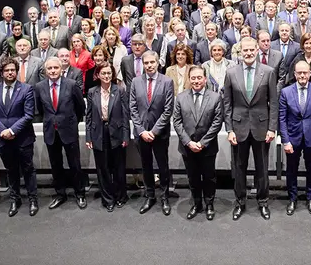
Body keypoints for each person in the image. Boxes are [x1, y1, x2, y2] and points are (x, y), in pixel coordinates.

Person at [223, 37, 279, 220]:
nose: (248, 53)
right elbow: (227, 104)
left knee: (262, 168)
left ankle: (263, 202)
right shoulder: (231, 73)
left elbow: (274, 103)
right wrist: (229, 129)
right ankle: (240, 202)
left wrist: (272, 128)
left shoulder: (268, 72)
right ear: (240, 52)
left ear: (257, 50)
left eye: (251, 50)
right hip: (238, 128)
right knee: (239, 167)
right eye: (244, 50)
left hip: (261, 127)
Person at [34, 57, 87, 210]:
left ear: (61, 69)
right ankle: (60, 194)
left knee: (74, 164)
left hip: (69, 130)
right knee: (56, 165)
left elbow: (80, 108)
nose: (52, 71)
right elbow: (40, 108)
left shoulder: (71, 85)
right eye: (49, 68)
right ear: (46, 71)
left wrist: (71, 122)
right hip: (51, 131)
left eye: (55, 68)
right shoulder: (39, 87)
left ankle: (80, 193)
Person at [0, 57, 38, 217]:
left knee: (28, 169)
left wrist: (12, 130)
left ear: (16, 72)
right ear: (1, 73)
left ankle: (33, 199)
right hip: (3, 138)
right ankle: (15, 199)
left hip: (23, 138)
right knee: (11, 171)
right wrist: (3, 131)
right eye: (7, 70)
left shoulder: (27, 89)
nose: (10, 73)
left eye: (13, 70)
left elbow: (29, 114)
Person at [172, 65, 224, 220]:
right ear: (189, 79)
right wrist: (189, 142)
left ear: (205, 79)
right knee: (193, 178)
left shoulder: (215, 97)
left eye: (199, 77)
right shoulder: (181, 97)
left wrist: (202, 143)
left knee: (209, 177)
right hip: (188, 147)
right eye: (193, 78)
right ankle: (196, 204)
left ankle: (209, 204)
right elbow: (177, 122)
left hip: (207, 147)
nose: (196, 81)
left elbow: (217, 123)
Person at [279, 60, 311, 216]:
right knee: (291, 170)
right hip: (292, 138)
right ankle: (292, 199)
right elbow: (282, 118)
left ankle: (310, 197)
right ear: (294, 74)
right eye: (299, 73)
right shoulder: (286, 92)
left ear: (310, 74)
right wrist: (285, 140)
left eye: (305, 72)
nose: (302, 75)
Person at [130, 51, 175, 215]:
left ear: (158, 63)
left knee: (163, 166)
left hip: (160, 133)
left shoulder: (167, 81)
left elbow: (168, 110)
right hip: (141, 133)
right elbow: (133, 108)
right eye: (146, 63)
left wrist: (154, 131)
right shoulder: (136, 82)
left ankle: (164, 197)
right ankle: (150, 196)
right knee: (146, 166)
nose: (149, 65)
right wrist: (142, 131)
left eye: (152, 62)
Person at [85, 61, 129, 212]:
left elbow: (125, 115)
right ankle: (108, 199)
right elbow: (89, 117)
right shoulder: (92, 92)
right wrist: (88, 137)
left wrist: (125, 136)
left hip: (116, 132)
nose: (106, 76)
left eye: (109, 73)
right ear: (97, 74)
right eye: (103, 73)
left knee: (118, 167)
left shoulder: (120, 90)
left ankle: (120, 196)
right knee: (102, 168)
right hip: (99, 132)